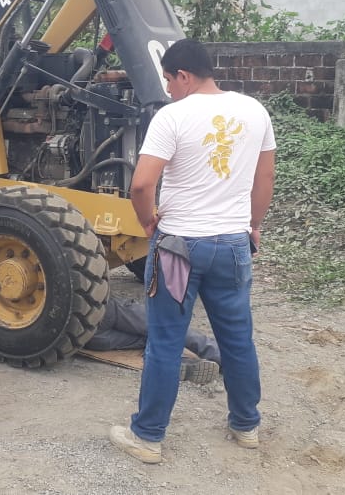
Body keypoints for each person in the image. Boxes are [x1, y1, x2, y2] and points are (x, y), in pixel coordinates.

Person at [109, 39, 276, 463]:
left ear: (184, 75)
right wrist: (254, 226)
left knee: (165, 341)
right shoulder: (255, 111)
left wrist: (148, 221)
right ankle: (246, 426)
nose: (168, 89)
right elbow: (265, 178)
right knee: (237, 338)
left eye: (169, 80)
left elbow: (142, 184)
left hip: (177, 248)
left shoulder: (173, 116)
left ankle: (147, 438)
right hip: (232, 244)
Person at [86, 296, 222, 385]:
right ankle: (221, 356)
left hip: (89, 338)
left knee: (146, 340)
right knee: (165, 327)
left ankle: (174, 363)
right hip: (100, 311)